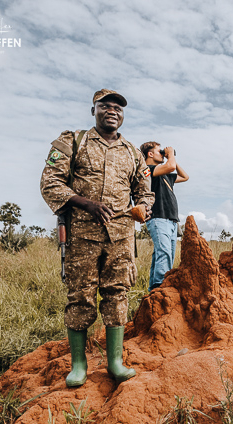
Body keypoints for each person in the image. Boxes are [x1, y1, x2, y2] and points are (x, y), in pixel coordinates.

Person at [40, 89, 154, 388]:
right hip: (82, 236)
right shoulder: (72, 141)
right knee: (80, 298)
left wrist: (144, 206)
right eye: (105, 106)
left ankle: (115, 363)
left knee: (117, 295)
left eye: (118, 107)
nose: (112, 111)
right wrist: (84, 202)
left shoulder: (133, 152)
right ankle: (79, 365)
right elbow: (50, 181)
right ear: (94, 110)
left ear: (123, 115)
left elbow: (145, 191)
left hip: (121, 238)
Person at [138, 142, 189, 291]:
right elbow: (171, 167)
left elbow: (184, 176)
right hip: (158, 218)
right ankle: (162, 287)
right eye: (159, 151)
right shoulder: (148, 170)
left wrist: (171, 157)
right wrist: (170, 155)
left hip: (171, 220)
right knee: (164, 253)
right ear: (150, 154)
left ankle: (154, 290)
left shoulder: (166, 175)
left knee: (165, 255)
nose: (163, 153)